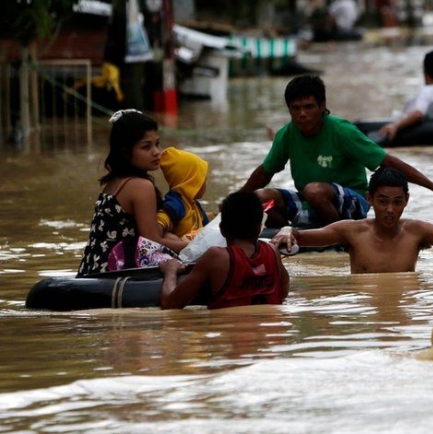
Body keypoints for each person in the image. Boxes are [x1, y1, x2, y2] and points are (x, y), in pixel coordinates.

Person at [238, 74, 433, 228]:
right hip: (309, 202)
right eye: (296, 109)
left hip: (352, 203)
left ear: (322, 105)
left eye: (309, 107)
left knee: (314, 190)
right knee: (260, 198)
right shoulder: (286, 134)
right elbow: (265, 172)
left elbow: (388, 162)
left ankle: (341, 235)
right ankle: (287, 231)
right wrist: (236, 201)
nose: (302, 115)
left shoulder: (342, 131)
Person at [270, 167, 433, 274]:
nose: (390, 210)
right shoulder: (352, 231)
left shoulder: (417, 230)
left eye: (397, 202)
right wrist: (288, 230)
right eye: (383, 201)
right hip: (366, 306)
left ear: (406, 201)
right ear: (369, 199)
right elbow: (301, 237)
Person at [77, 109, 183, 276]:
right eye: (146, 147)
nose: (156, 152)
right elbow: (152, 241)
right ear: (126, 151)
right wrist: (195, 247)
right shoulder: (140, 186)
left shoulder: (115, 181)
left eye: (157, 144)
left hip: (93, 267)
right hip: (114, 268)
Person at [159, 191, 290, 310]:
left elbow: (170, 305)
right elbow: (283, 293)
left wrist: (171, 271)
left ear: (221, 229)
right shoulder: (273, 251)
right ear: (259, 228)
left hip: (233, 334)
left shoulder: (216, 257)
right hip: (271, 332)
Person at [156, 147, 211, 253]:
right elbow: (155, 231)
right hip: (183, 253)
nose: (205, 184)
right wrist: (167, 238)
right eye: (202, 179)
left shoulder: (194, 204)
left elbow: (208, 228)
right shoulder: (175, 205)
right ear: (190, 182)